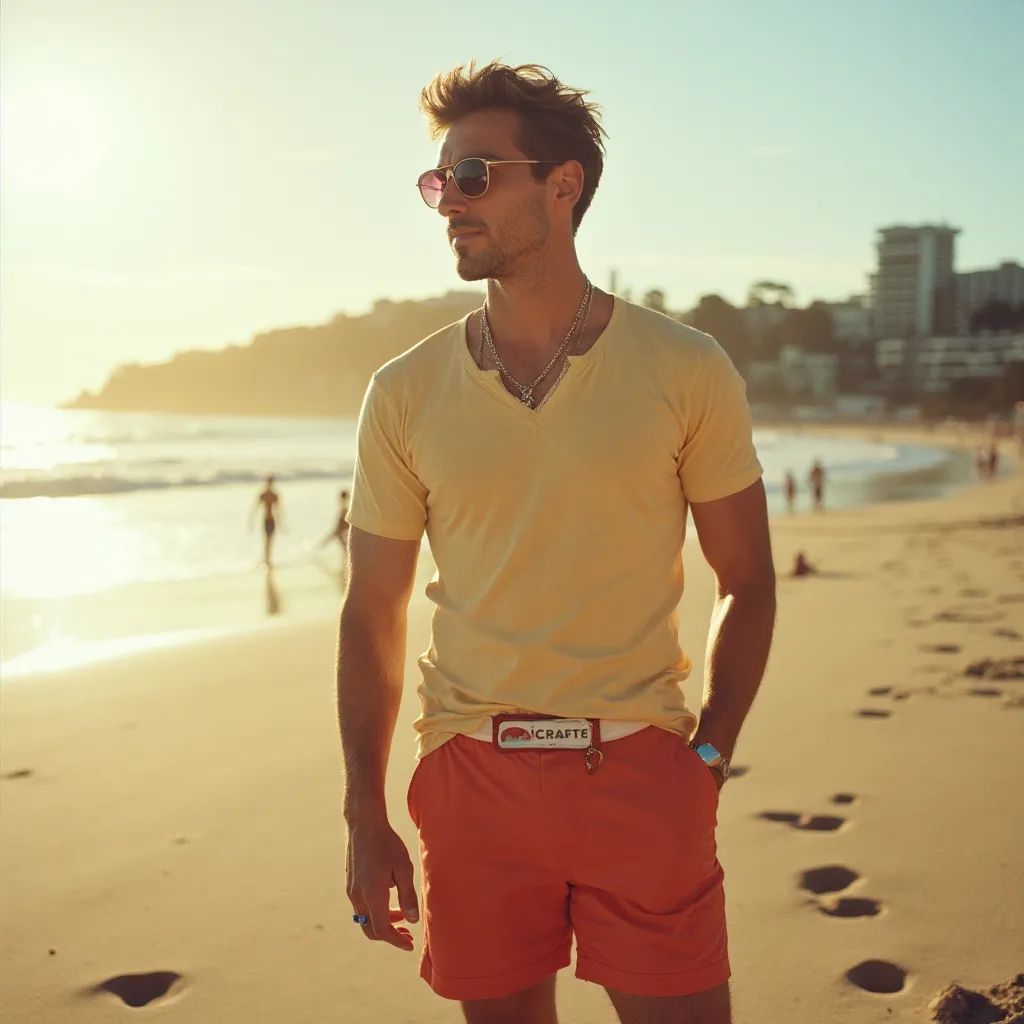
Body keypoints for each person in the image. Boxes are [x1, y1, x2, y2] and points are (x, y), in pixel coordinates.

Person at [337, 62, 775, 1024]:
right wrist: (366, 816)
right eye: (438, 182)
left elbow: (746, 579)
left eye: (476, 175)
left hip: (642, 778)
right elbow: (373, 609)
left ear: (562, 185)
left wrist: (705, 760)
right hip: (470, 782)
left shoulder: (686, 368)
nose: (449, 201)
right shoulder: (403, 391)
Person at [249, 475, 281, 567]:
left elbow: (278, 511)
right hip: (266, 520)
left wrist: (280, 523)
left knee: (271, 540)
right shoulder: (263, 494)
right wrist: (251, 521)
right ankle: (266, 559)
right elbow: (255, 508)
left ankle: (268, 559)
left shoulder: (275, 495)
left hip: (272, 520)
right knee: (266, 540)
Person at [320, 489, 351, 554]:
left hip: (340, 530)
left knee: (328, 540)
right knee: (345, 550)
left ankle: (316, 553)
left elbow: (342, 521)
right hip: (339, 530)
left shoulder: (344, 507)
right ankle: (316, 553)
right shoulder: (344, 507)